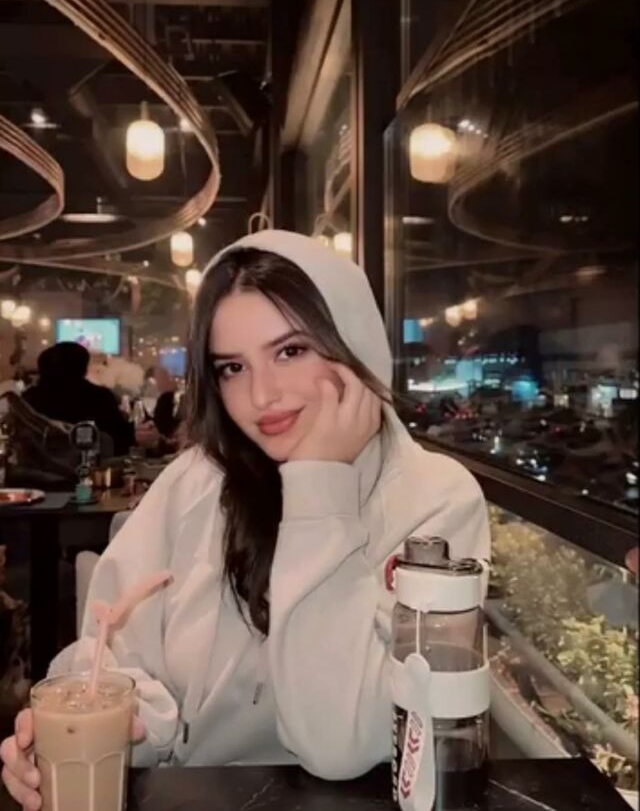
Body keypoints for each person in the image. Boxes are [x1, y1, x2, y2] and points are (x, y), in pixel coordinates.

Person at [1, 230, 489, 808]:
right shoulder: (197, 481)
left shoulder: (435, 499)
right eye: (232, 367)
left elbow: (341, 743)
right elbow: (118, 664)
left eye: (290, 351)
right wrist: (101, 730)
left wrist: (319, 486)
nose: (261, 395)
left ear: (354, 343)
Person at [22, 342, 153, 457]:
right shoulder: (99, 397)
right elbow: (121, 439)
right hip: (92, 470)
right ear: (83, 369)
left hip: (35, 469)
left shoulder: (28, 399)